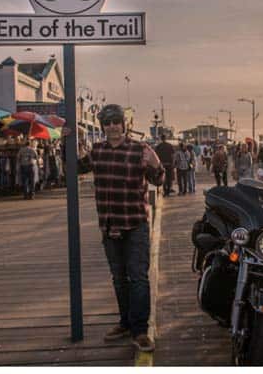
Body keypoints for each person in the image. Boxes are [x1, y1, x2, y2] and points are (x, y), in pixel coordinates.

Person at [89, 104, 162, 353]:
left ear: (124, 124)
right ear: (102, 127)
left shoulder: (139, 149)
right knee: (119, 279)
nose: (112, 126)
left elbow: (159, 180)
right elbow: (73, 168)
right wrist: (66, 137)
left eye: (116, 121)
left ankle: (140, 330)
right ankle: (125, 322)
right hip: (110, 223)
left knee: (138, 278)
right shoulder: (96, 151)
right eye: (107, 122)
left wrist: (156, 164)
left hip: (135, 223)